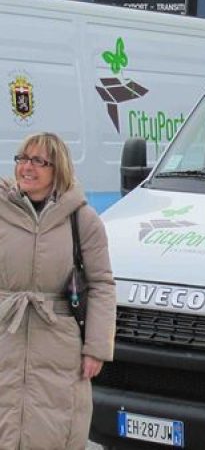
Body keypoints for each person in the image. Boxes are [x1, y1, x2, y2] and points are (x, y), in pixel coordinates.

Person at [0, 132, 116, 449]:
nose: (27, 167)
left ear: (58, 169)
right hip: (5, 336)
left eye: (38, 161)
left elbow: (102, 285)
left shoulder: (83, 219)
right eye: (23, 158)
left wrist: (96, 348)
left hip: (59, 345)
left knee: (52, 428)